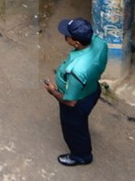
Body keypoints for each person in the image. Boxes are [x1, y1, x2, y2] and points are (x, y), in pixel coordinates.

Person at [44, 18, 108, 166]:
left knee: (74, 128)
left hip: (78, 101)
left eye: (67, 35)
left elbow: (71, 102)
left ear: (76, 43)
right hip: (93, 89)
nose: (65, 37)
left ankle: (81, 156)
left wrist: (53, 91)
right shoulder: (99, 43)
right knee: (80, 123)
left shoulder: (77, 71)